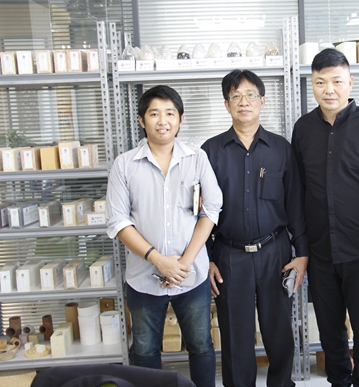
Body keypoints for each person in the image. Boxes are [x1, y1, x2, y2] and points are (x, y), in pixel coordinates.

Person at [291, 48, 359, 387]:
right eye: (320, 82)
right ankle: (339, 381)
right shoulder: (303, 129)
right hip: (321, 251)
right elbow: (298, 192)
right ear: (312, 84)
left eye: (337, 81)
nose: (329, 90)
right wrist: (302, 247)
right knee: (329, 330)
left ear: (350, 83)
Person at [106, 85, 222, 387]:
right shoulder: (124, 165)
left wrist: (183, 262)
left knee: (201, 345)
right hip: (144, 276)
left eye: (170, 113)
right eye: (154, 113)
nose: (163, 121)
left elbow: (211, 209)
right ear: (141, 120)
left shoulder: (197, 159)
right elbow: (118, 221)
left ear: (181, 119)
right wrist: (158, 260)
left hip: (191, 275)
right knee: (144, 350)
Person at [203, 69, 309, 387]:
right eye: (235, 96)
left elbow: (295, 205)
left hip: (275, 253)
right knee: (235, 336)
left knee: (279, 332)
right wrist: (205, 258)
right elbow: (199, 212)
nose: (244, 101)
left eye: (250, 95)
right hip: (228, 255)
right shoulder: (210, 152)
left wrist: (302, 254)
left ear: (262, 101)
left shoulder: (281, 149)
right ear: (226, 104)